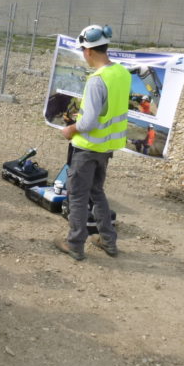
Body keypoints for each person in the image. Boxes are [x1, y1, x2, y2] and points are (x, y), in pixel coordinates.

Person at [54, 24, 130, 261]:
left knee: (77, 196)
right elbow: (108, 111)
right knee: (97, 192)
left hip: (87, 148)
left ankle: (74, 244)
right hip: (106, 148)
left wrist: (70, 129)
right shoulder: (122, 73)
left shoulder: (97, 80)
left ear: (88, 51)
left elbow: (87, 123)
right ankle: (108, 241)